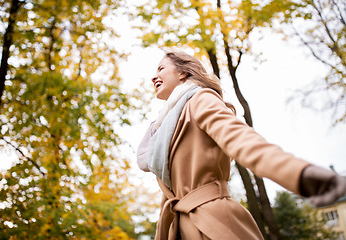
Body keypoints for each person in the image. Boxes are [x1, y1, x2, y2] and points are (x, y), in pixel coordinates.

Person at [137, 51, 346, 240]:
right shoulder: (163, 133)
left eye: (161, 68)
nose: (154, 76)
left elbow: (242, 140)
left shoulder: (200, 99)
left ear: (182, 73)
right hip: (179, 229)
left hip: (214, 225)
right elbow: (171, 195)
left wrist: (298, 174)